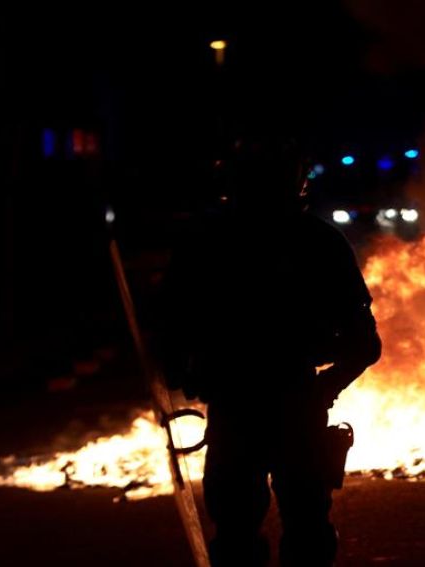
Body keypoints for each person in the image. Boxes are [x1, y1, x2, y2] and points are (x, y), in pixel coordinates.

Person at [156, 129, 381, 566]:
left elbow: (170, 327)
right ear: (297, 181)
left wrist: (183, 374)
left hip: (237, 405)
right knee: (305, 530)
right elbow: (364, 344)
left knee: (240, 533)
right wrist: (325, 387)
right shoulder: (319, 241)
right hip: (293, 404)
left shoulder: (204, 242)